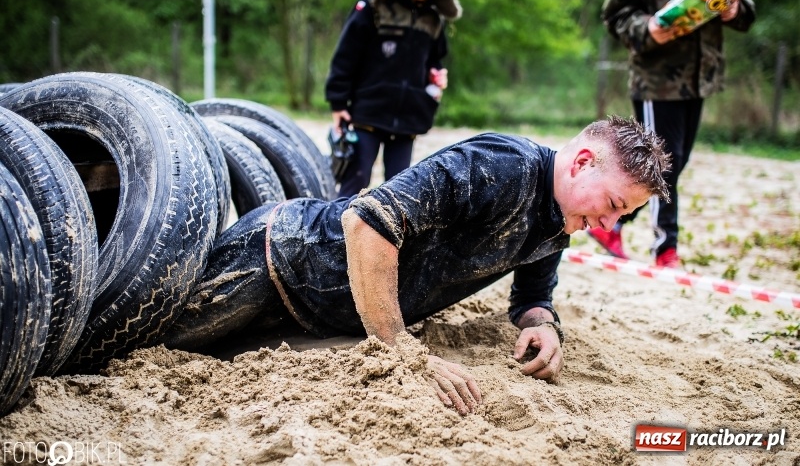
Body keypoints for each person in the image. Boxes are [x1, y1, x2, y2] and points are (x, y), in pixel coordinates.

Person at [162, 116, 670, 415]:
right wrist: (402, 347)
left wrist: (543, 325)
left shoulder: (561, 220)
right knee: (152, 344)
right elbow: (368, 220)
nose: (608, 224)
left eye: (621, 215)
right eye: (614, 204)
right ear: (582, 163)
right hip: (282, 256)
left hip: (320, 319)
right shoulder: (502, 165)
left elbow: (532, 297)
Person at [595, 0, 755, 267]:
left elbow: (742, 4)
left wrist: (735, 10)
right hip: (658, 79)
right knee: (662, 164)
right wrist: (647, 29)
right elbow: (616, 13)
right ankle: (665, 248)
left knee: (675, 164)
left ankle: (615, 225)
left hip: (699, 79)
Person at [325, 0, 462, 198]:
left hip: (409, 118)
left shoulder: (434, 20)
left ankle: (388, 238)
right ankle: (339, 236)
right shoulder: (372, 7)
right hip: (367, 115)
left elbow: (434, 60)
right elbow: (345, 57)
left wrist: (437, 77)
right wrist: (338, 104)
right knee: (355, 182)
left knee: (399, 189)